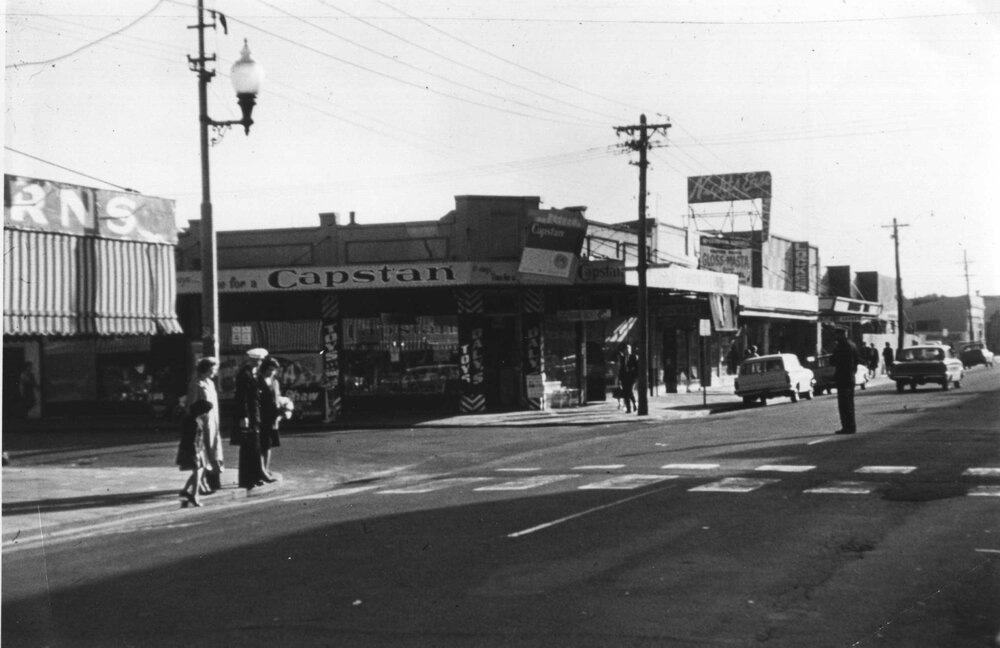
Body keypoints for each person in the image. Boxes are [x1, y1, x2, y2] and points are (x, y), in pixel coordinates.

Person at [233, 348, 272, 489]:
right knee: (249, 448)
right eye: (259, 360)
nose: (260, 362)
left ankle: (256, 476)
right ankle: (247, 480)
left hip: (255, 414)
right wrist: (244, 416)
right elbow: (241, 397)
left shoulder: (255, 374)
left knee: (255, 447)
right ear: (253, 360)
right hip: (249, 415)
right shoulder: (244, 374)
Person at [186, 357, 223, 492]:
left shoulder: (211, 383)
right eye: (213, 368)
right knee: (203, 453)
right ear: (206, 369)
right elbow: (191, 405)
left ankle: (210, 481)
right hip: (202, 423)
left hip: (213, 422)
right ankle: (202, 484)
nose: (215, 371)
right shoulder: (196, 384)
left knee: (213, 450)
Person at [176, 399, 214, 507]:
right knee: (198, 473)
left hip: (190, 449)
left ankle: (185, 490)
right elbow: (194, 439)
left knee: (198, 472)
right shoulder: (196, 422)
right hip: (194, 450)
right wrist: (197, 453)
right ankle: (194, 495)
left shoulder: (190, 418)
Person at [830, 329, 861, 434]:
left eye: (837, 334)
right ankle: (851, 426)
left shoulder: (841, 346)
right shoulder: (852, 345)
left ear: (841, 335)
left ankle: (847, 427)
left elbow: (833, 361)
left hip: (843, 377)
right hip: (850, 376)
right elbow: (857, 360)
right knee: (850, 404)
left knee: (844, 405)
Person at [258, 357, 283, 480]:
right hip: (262, 417)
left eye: (273, 370)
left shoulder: (274, 381)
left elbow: (277, 397)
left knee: (268, 445)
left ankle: (266, 469)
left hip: (272, 418)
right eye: (269, 369)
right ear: (264, 368)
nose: (271, 372)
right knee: (261, 445)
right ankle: (261, 470)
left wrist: (280, 411)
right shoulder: (258, 380)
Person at [617, 343, 638, 414]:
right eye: (626, 349)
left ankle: (635, 403)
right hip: (624, 378)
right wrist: (619, 379)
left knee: (630, 392)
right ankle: (629, 409)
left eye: (628, 349)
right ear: (624, 350)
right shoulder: (622, 358)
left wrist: (635, 376)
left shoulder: (634, 357)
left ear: (630, 350)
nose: (627, 350)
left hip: (631, 378)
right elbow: (621, 369)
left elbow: (637, 367)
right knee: (626, 393)